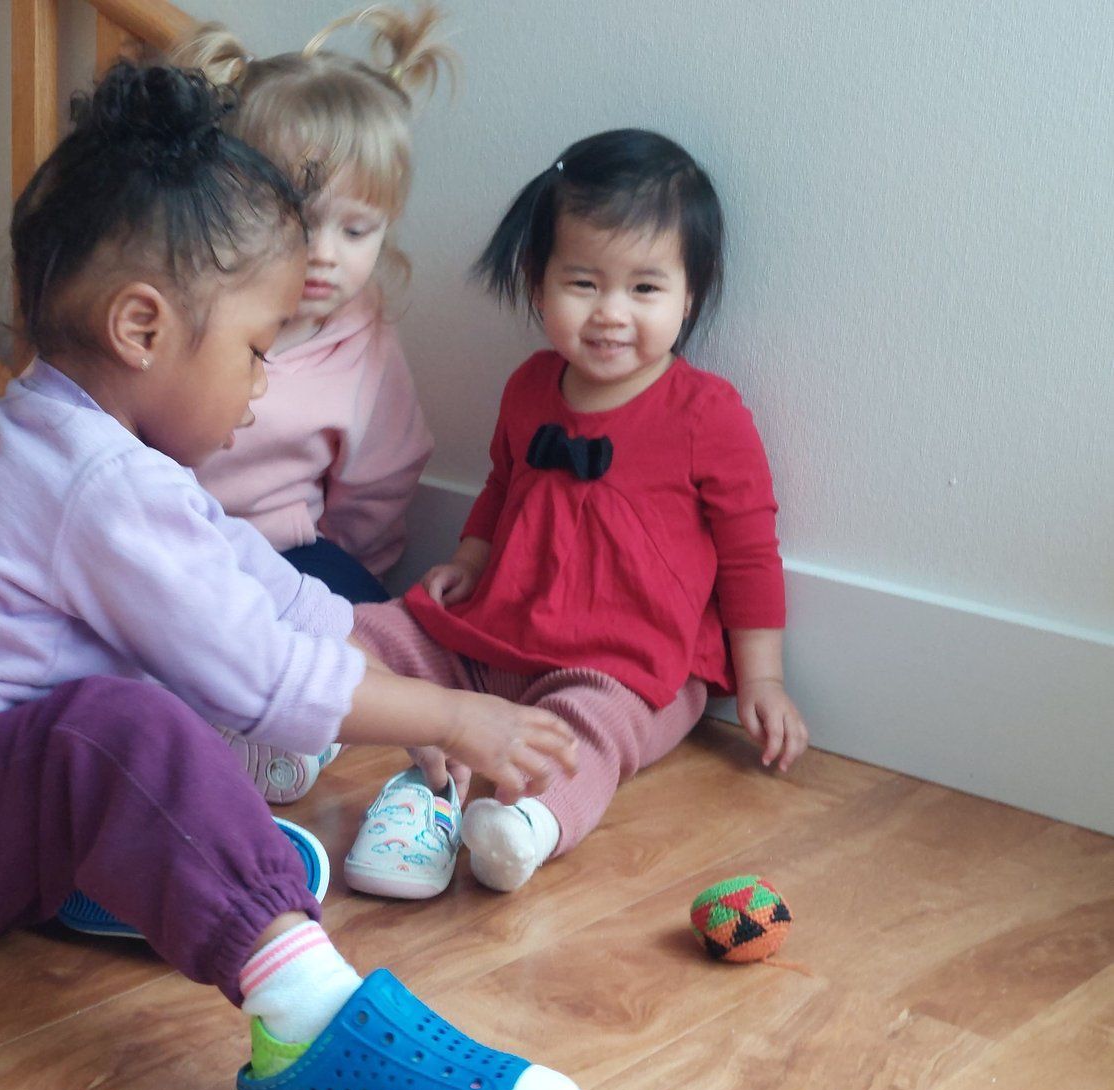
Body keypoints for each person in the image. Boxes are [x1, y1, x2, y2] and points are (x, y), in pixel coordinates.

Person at [0, 64, 586, 1090]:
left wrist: (401, 681)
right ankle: (308, 1036)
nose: (263, 383)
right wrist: (445, 715)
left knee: (147, 715)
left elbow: (268, 589)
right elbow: (256, 675)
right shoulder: (94, 481)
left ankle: (145, 868)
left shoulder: (96, 446)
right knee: (125, 724)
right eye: (256, 349)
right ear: (143, 328)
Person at [343, 129, 810, 901]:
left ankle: (527, 823)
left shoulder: (707, 413)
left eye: (645, 288)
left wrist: (763, 676)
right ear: (539, 285)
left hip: (626, 665)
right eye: (584, 283)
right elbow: (504, 484)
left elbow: (750, 553)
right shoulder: (530, 386)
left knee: (593, 731)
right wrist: (469, 558)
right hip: (500, 629)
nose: (611, 313)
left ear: (691, 295)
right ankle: (299, 727)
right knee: (367, 628)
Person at [174, 5, 448, 607]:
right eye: (300, 222)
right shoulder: (187, 298)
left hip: (285, 549)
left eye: (356, 231)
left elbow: (378, 480)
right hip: (166, 531)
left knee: (362, 624)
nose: (324, 255)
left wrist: (349, 568)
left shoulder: (364, 340)